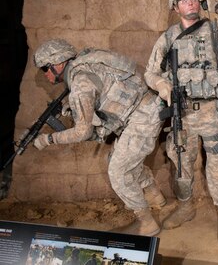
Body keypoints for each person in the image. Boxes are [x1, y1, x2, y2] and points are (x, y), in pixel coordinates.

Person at [144, 0, 218, 244]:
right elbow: (150, 72)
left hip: (212, 114)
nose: (191, 2)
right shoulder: (169, 38)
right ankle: (186, 207)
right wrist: (161, 84)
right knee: (182, 167)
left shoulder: (215, 30)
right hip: (183, 115)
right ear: (175, 7)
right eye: (184, 0)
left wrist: (217, 6)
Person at [33, 39, 165, 236]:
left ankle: (146, 222)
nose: (45, 74)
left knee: (118, 172)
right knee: (119, 159)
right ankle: (155, 196)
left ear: (59, 63)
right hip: (143, 108)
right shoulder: (87, 61)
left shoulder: (79, 83)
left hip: (143, 117)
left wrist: (48, 140)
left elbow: (82, 132)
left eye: (46, 68)